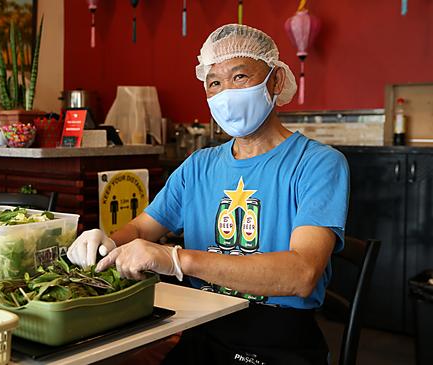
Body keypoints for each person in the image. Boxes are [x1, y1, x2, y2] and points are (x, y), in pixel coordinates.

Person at [67, 24, 349, 365]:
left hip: (277, 337)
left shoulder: (318, 163)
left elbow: (302, 274)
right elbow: (142, 229)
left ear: (275, 81)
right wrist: (106, 242)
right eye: (214, 82)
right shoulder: (198, 166)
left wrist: (176, 259)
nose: (226, 92)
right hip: (203, 325)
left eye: (240, 76)